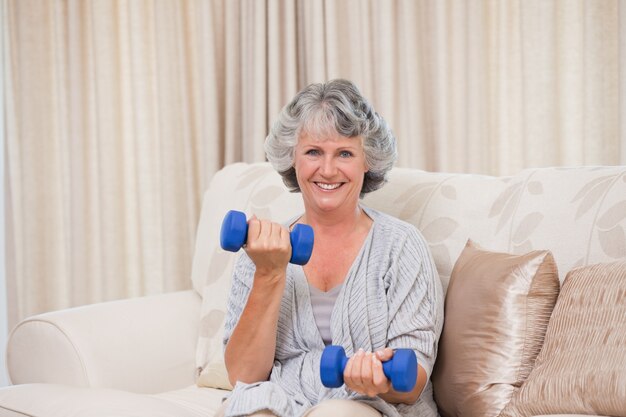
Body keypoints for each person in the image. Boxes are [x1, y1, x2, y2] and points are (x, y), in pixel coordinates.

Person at [216, 79, 444, 417]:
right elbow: (244, 376)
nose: (327, 170)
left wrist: (379, 381)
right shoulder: (261, 249)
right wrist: (269, 272)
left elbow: (413, 383)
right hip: (283, 398)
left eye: (345, 153)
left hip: (372, 405)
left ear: (367, 161)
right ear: (292, 158)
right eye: (313, 152)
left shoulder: (401, 245)